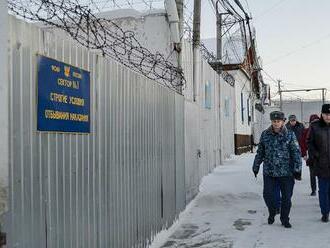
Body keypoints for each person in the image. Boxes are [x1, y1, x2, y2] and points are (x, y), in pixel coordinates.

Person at [253, 111, 302, 228]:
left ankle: (285, 219)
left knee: (286, 198)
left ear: (283, 122)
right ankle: (272, 211)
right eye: (274, 121)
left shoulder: (289, 135)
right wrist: (256, 165)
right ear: (271, 122)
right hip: (269, 171)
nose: (276, 124)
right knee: (268, 195)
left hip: (286, 172)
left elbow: (296, 152)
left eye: (278, 121)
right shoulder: (265, 134)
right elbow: (260, 152)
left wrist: (297, 169)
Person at [307, 104, 330, 222]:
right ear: (321, 114)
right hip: (321, 164)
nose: (328, 116)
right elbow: (309, 143)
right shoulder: (315, 127)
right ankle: (325, 212)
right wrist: (316, 155)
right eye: (326, 114)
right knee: (323, 190)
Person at [300, 114, 320, 196]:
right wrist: (304, 154)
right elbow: (302, 144)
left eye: (316, 121)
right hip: (311, 156)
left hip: (322, 157)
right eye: (313, 122)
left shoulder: (323, 130)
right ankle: (314, 190)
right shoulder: (306, 131)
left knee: (322, 175)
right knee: (312, 174)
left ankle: (321, 190)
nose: (315, 123)